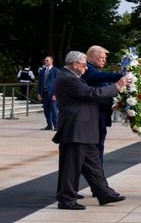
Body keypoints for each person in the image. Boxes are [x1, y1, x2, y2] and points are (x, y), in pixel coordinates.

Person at [52, 51, 130, 210]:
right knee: (72, 166)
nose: (86, 68)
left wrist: (111, 106)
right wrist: (117, 86)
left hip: (83, 129)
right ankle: (66, 199)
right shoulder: (68, 78)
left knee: (93, 164)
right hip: (76, 129)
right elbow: (91, 93)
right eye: (83, 65)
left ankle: (104, 193)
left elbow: (86, 99)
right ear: (74, 64)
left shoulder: (71, 76)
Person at [82, 45, 125, 165]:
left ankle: (97, 175)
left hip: (100, 114)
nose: (104, 60)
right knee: (96, 148)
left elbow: (104, 90)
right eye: (101, 58)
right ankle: (97, 176)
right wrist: (122, 75)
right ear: (91, 57)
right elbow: (101, 78)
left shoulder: (95, 70)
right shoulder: (89, 69)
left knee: (97, 147)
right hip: (94, 115)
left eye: (105, 58)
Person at [37, 56, 59, 130]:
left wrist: (56, 94)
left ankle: (56, 126)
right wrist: (39, 93)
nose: (45, 62)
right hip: (44, 93)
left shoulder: (56, 71)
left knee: (53, 110)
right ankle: (49, 125)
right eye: (45, 60)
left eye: (47, 60)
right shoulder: (42, 71)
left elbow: (58, 84)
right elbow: (40, 83)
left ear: (51, 61)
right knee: (46, 110)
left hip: (53, 94)